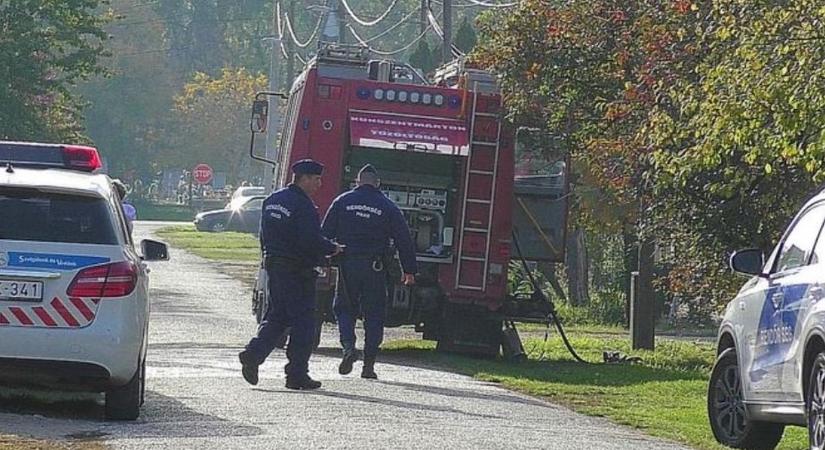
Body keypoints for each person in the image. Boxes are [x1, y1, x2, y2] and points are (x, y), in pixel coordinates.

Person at [239, 159, 343, 390]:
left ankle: (253, 355)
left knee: (278, 316)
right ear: (303, 178)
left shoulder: (272, 200)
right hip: (298, 271)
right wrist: (331, 248)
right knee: (304, 323)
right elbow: (309, 239)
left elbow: (263, 235)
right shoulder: (303, 205)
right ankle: (296, 374)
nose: (319, 183)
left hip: (276, 266)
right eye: (316, 179)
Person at [321, 164, 416, 379]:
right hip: (375, 268)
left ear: (357, 181)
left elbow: (324, 234)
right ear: (378, 184)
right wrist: (408, 270)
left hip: (348, 265)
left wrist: (321, 259)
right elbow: (404, 240)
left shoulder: (342, 201)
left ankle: (348, 348)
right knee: (374, 315)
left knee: (344, 309)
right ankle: (368, 366)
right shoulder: (388, 206)